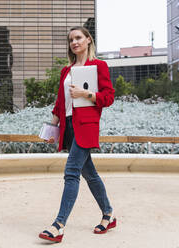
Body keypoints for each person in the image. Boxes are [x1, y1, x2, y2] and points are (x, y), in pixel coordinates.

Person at [38, 26, 116, 243]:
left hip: (87, 126)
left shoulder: (98, 66)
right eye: (71, 39)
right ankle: (108, 214)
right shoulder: (67, 70)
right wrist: (52, 129)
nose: (74, 42)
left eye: (78, 37)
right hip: (69, 126)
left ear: (88, 40)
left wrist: (86, 94)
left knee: (71, 172)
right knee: (89, 173)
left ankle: (58, 225)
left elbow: (108, 97)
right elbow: (59, 104)